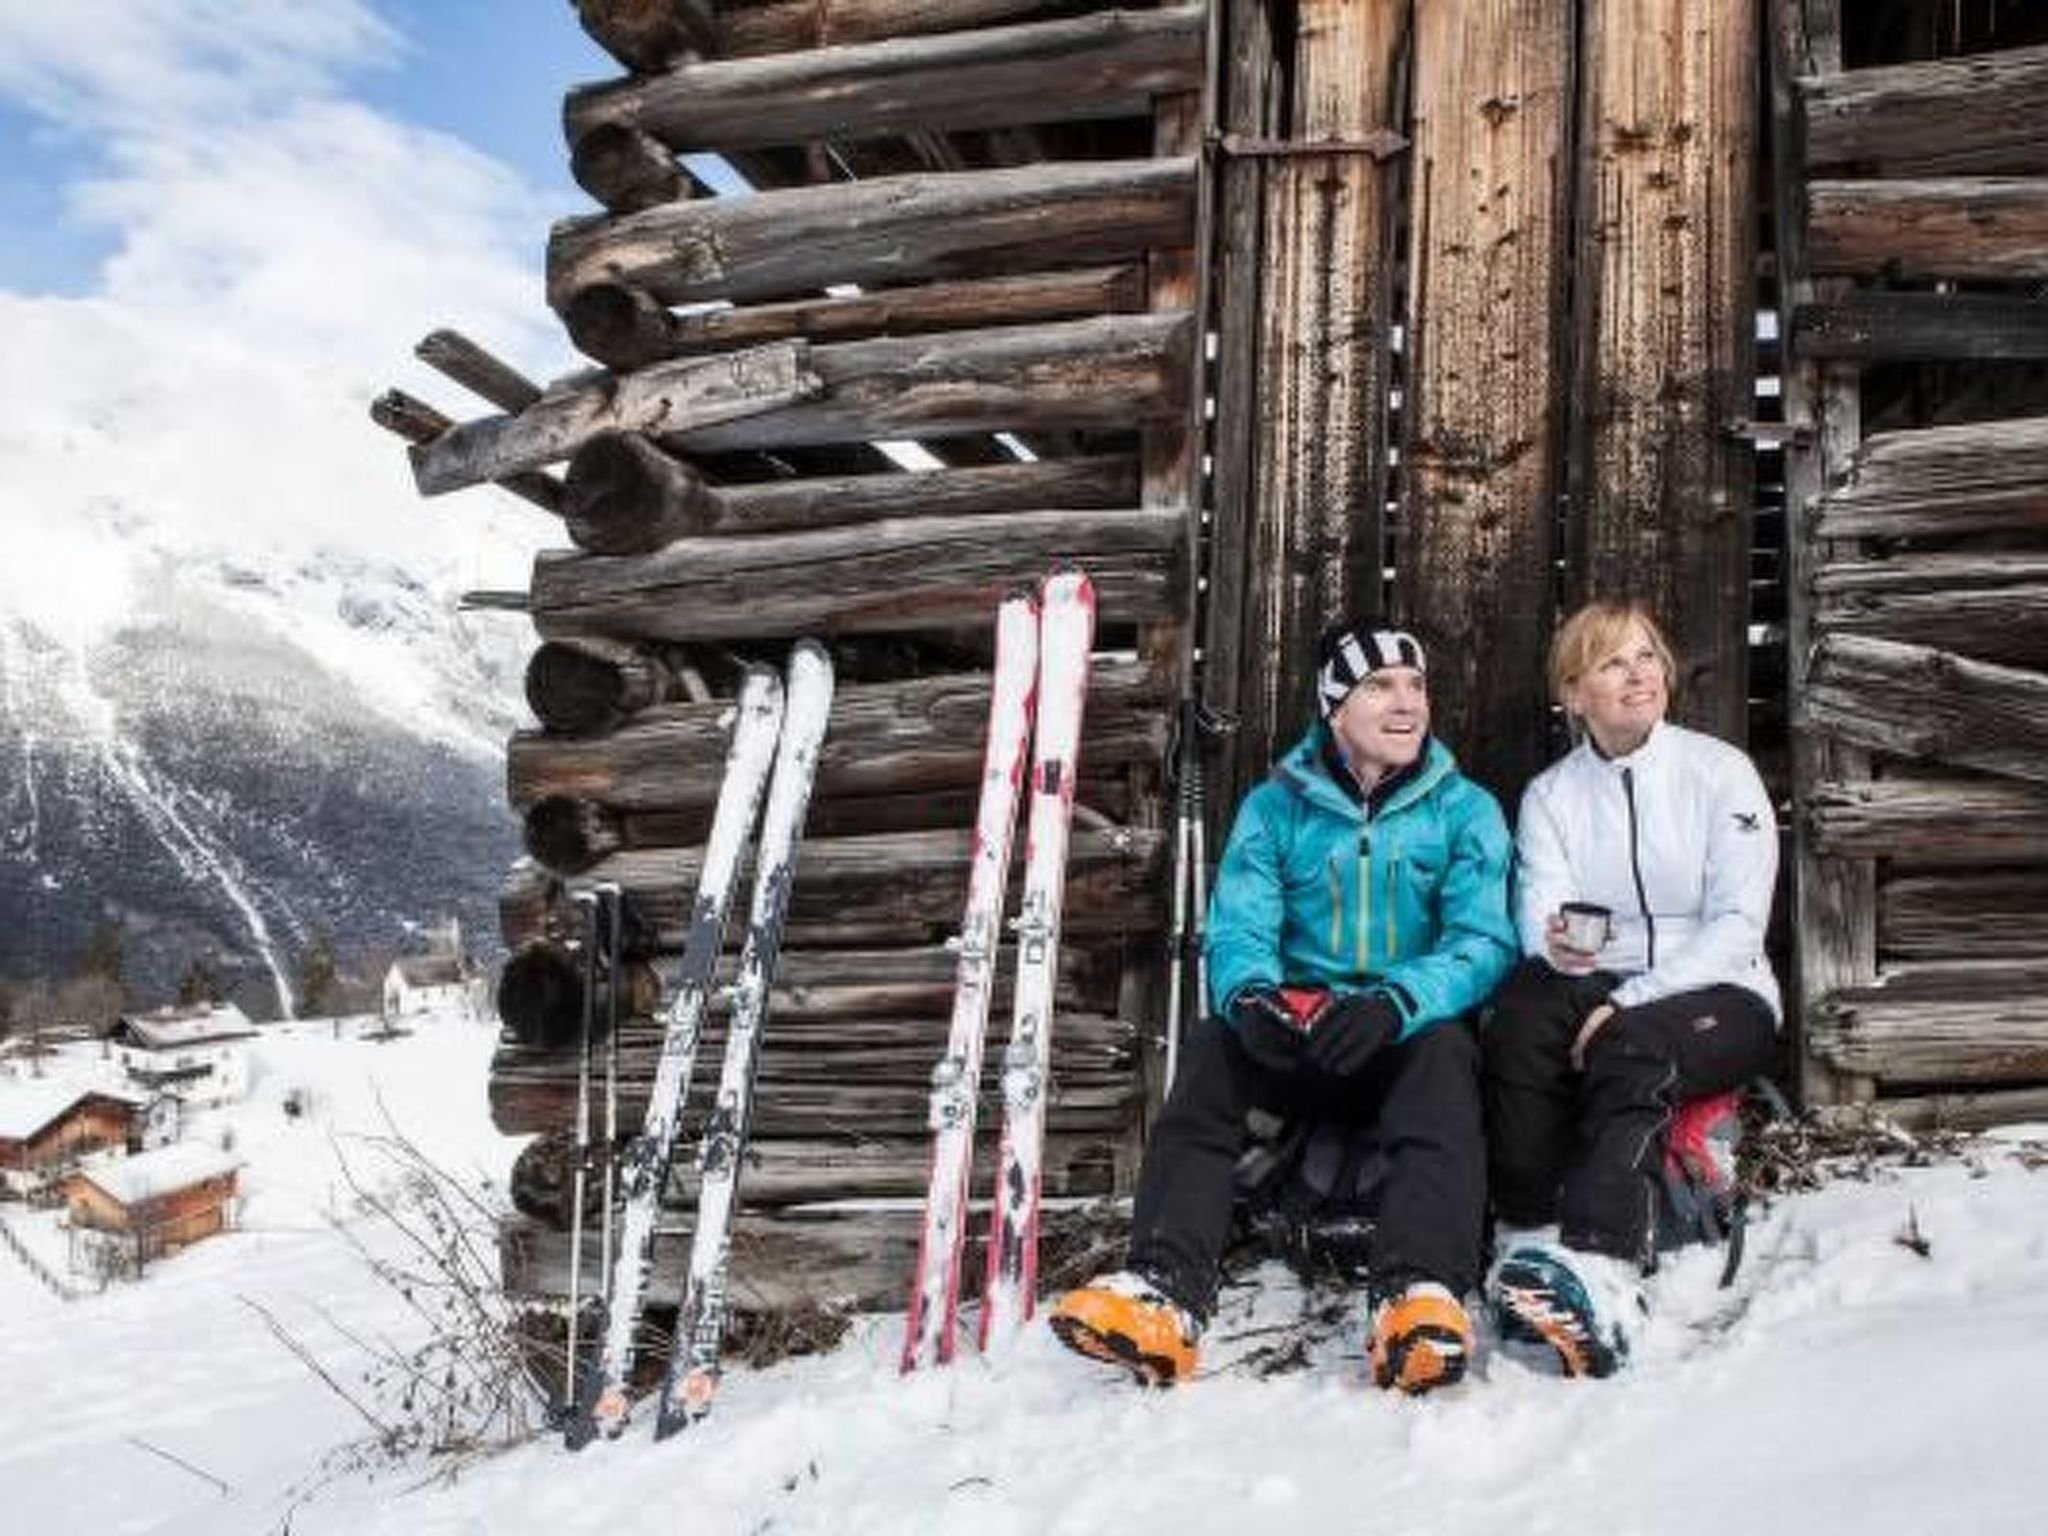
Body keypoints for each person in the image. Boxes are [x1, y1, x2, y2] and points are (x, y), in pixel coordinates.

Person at [1049, 621, 1517, 1394]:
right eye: (1379, 686)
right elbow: (1240, 926)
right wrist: (1252, 998)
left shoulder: (1465, 811)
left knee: (1447, 1057)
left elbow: (1485, 941)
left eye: (1416, 685)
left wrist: (1399, 1001)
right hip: (1307, 1035)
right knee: (1212, 1047)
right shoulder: (1276, 808)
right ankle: (1165, 1288)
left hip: (1402, 1034)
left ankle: (1417, 1296)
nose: (1406, 704)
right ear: (1334, 706)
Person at [1482, 599, 1781, 1378]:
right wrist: (1557, 946)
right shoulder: (1553, 794)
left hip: (1724, 987)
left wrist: (1629, 999)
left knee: (1632, 1044)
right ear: (1573, 692)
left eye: (1647, 656)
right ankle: (1529, 1235)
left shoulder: (1718, 773)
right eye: (1613, 662)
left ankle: (1607, 1265)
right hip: (1603, 976)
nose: (1638, 674)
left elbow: (1739, 925)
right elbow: (1540, 913)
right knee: (1519, 1014)